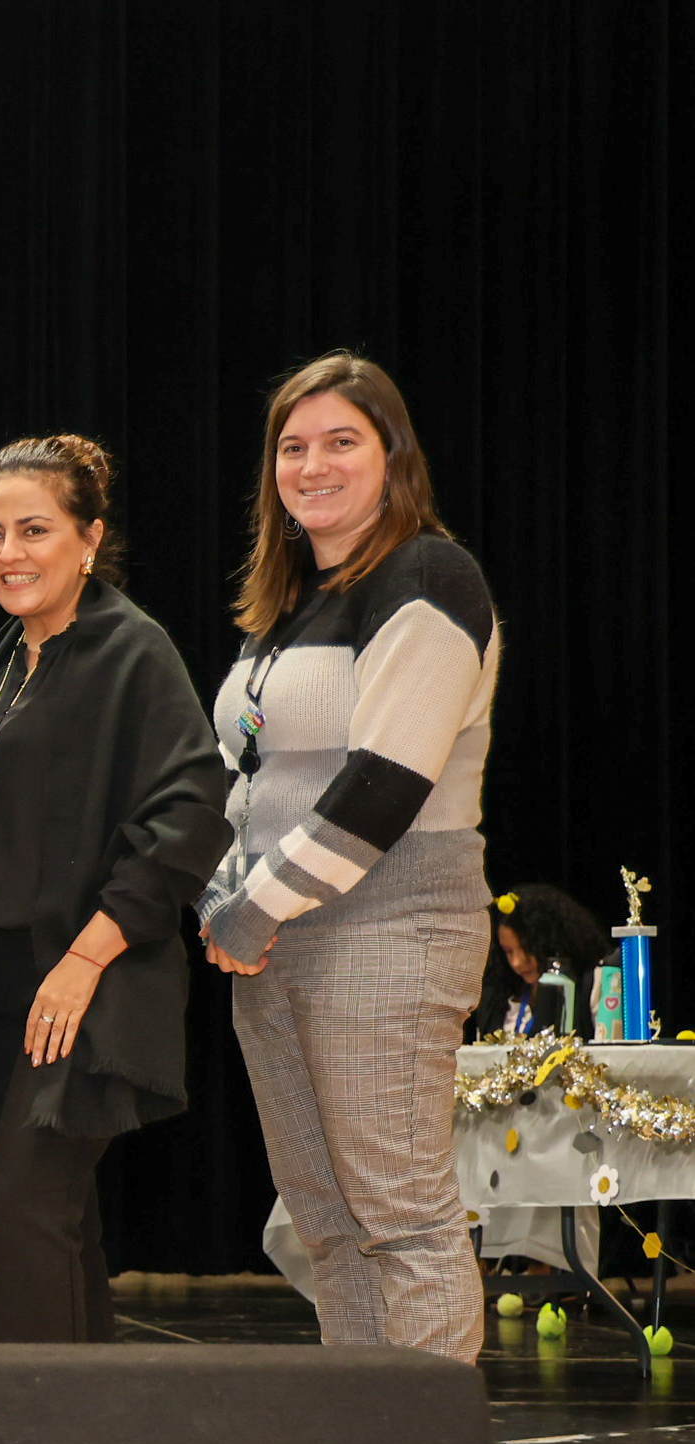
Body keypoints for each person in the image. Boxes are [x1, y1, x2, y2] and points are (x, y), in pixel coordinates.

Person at [202, 353, 500, 1362]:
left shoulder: (426, 576)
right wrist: (220, 891)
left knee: (400, 1220)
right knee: (325, 1226)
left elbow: (381, 784)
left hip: (388, 924)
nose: (311, 465)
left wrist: (251, 907)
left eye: (341, 441)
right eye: (292, 446)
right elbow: (233, 775)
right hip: (276, 939)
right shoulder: (288, 607)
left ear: (392, 456)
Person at [0, 435, 229, 1342]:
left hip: (86, 984)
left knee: (30, 1211)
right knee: (57, 1223)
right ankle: (89, 1443)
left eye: (32, 530)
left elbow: (192, 811)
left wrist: (83, 959)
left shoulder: (130, 649)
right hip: (3, 988)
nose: (8, 554)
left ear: (88, 537)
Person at [476, 883, 608, 1037]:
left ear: (552, 942)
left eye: (527, 949)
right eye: (509, 951)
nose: (517, 962)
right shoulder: (497, 1000)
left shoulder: (592, 984)